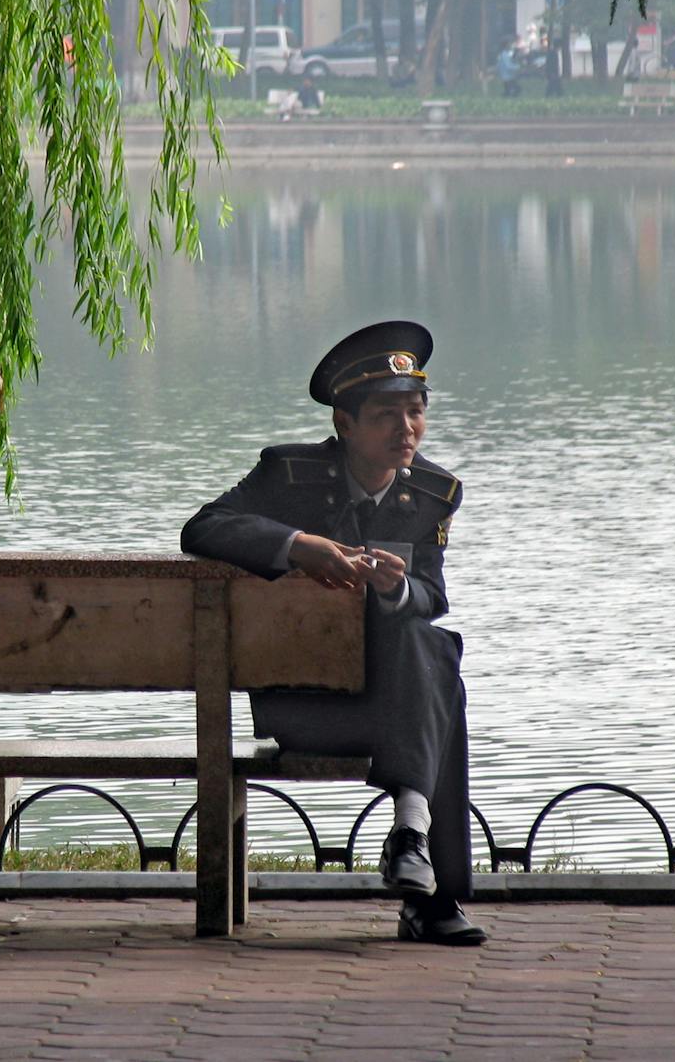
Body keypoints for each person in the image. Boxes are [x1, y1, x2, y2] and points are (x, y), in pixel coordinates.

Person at [180, 320, 485, 946]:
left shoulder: (434, 493)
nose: (406, 430)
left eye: (416, 412)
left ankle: (411, 839)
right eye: (386, 416)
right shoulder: (289, 476)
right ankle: (430, 894)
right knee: (442, 691)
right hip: (306, 705)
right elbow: (204, 527)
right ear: (344, 425)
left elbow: (432, 595)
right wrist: (299, 546)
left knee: (430, 650)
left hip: (392, 704)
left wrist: (397, 588)